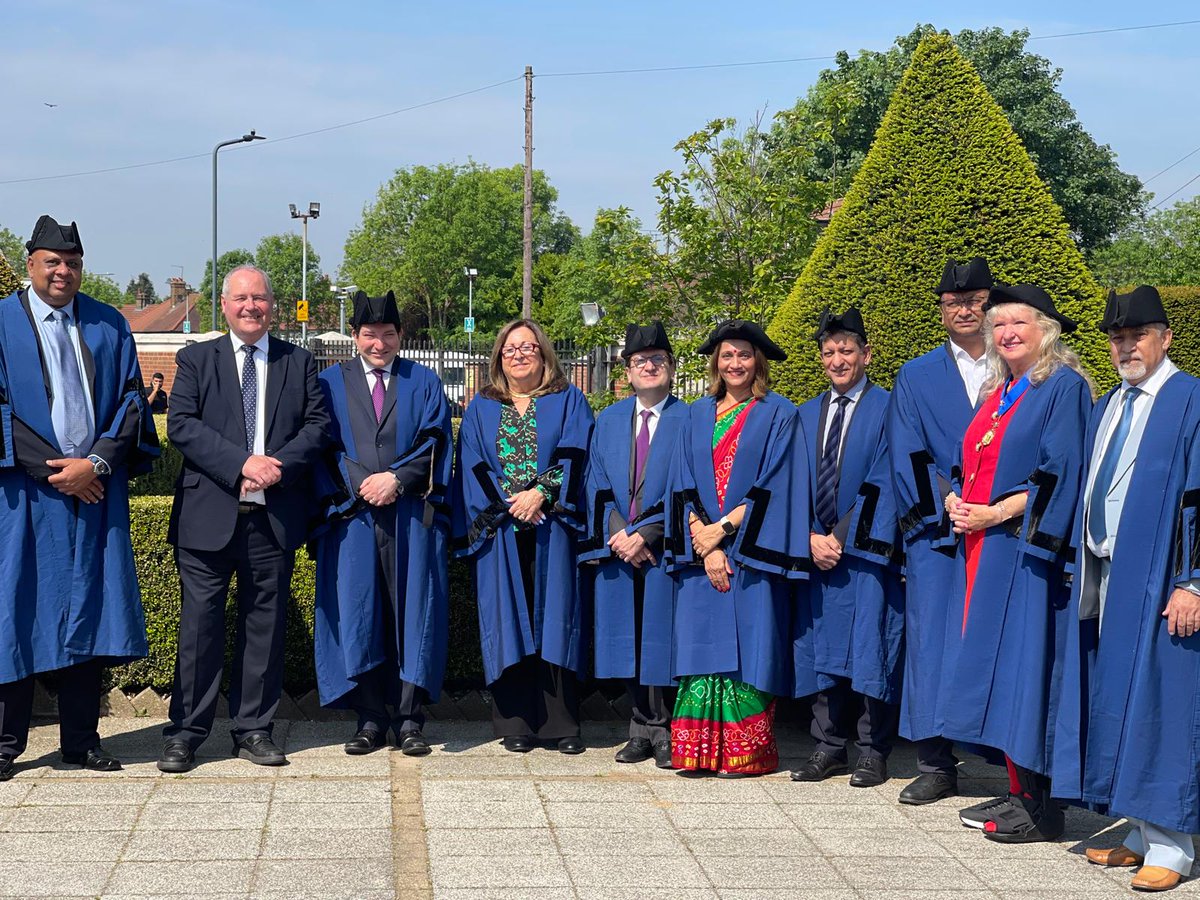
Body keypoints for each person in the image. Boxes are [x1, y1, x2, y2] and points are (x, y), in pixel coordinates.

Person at [0, 215, 158, 780]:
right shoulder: (0, 323)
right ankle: (6, 742)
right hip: (24, 496)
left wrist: (95, 463)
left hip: (93, 491)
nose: (63, 271)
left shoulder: (107, 322)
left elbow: (132, 404)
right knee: (16, 608)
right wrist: (56, 470)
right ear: (30, 265)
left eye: (72, 262)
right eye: (52, 262)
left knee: (88, 607)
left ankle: (80, 739)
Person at [1053, 287, 1200, 892]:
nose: (1126, 345)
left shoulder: (1190, 400)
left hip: (1164, 581)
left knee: (1165, 708)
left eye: (1137, 334)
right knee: (1121, 699)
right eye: (1117, 336)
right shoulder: (1112, 402)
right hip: (1111, 573)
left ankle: (1176, 844)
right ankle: (1139, 828)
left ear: (1165, 338)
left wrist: (1194, 581)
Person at [158, 264, 329, 773]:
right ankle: (186, 733)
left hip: (272, 517)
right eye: (241, 298)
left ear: (272, 305)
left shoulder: (299, 362)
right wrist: (242, 464)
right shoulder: (194, 359)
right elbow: (182, 425)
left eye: (259, 298)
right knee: (199, 630)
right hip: (208, 516)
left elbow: (318, 427)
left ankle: (254, 729)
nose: (251, 306)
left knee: (265, 627)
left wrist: (275, 468)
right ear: (225, 305)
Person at [940, 283, 1092, 842]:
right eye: (997, 325)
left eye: (1018, 324)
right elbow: (972, 463)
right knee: (1000, 672)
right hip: (984, 548)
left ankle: (1042, 806)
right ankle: (1017, 789)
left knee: (1029, 670)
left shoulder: (1062, 388)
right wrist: (956, 499)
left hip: (1026, 552)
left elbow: (1060, 474)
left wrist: (994, 513)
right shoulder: (1000, 391)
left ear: (1045, 331)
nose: (1005, 333)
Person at [311, 291, 452, 757]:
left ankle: (411, 720)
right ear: (355, 336)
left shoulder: (424, 381)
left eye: (388, 334)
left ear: (400, 336)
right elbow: (320, 444)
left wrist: (396, 478)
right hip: (351, 517)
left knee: (413, 611)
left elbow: (436, 439)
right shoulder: (329, 382)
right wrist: (360, 483)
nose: (379, 343)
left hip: (410, 514)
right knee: (360, 612)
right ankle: (370, 719)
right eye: (370, 334)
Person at [666, 320, 810, 777]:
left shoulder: (779, 414)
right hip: (701, 553)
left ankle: (745, 753)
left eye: (744, 355)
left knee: (750, 646)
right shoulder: (694, 414)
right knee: (701, 645)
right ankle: (697, 751)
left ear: (758, 361)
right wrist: (704, 542)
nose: (735, 364)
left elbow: (777, 485)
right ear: (715, 362)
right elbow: (680, 479)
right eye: (727, 356)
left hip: (751, 553)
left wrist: (724, 532)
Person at [452, 320, 594, 754]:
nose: (519, 355)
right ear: (499, 357)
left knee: (556, 618)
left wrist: (540, 494)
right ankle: (514, 722)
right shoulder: (482, 406)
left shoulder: (567, 400)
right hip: (501, 532)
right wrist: (511, 503)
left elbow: (577, 452)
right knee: (507, 619)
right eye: (510, 349)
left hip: (553, 528)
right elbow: (473, 462)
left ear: (544, 354)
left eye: (528, 347)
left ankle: (560, 724)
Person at [885, 257, 993, 805]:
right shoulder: (917, 374)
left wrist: (993, 507)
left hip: (999, 529)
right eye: (953, 303)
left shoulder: (1016, 366)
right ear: (942, 310)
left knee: (991, 638)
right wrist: (947, 500)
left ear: (989, 304)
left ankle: (999, 755)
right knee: (930, 642)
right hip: (936, 531)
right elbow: (906, 449)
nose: (964, 309)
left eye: (974, 300)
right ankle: (934, 762)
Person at [791, 308, 903, 789]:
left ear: (866, 354)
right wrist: (809, 537)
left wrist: (841, 535)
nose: (838, 360)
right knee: (821, 647)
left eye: (847, 351)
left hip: (866, 553)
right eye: (829, 352)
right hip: (816, 550)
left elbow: (886, 477)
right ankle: (827, 745)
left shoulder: (890, 409)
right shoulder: (803, 413)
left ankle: (872, 750)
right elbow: (791, 483)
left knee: (871, 645)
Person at [581, 322, 687, 768]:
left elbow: (690, 485)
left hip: (665, 551)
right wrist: (619, 532)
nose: (649, 366)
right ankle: (639, 727)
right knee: (626, 641)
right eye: (640, 361)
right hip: (618, 549)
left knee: (662, 641)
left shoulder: (691, 418)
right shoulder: (608, 419)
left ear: (672, 368)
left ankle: (664, 732)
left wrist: (647, 533)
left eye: (658, 360)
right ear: (626, 371)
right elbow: (595, 483)